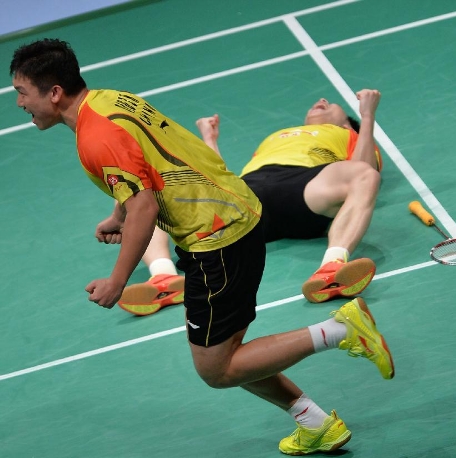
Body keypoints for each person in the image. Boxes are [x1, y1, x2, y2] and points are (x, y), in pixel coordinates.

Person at [10, 38, 395, 456]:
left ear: (53, 92)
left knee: (217, 368)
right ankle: (315, 423)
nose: (18, 103)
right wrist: (117, 216)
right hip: (234, 210)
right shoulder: (109, 100)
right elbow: (150, 166)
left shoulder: (95, 136)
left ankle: (340, 330)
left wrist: (117, 281)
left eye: (21, 92)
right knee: (228, 354)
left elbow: (143, 206)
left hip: (217, 239)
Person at [119, 89, 382, 315]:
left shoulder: (350, 136)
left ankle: (332, 268)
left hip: (306, 185)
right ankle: (163, 277)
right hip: (248, 195)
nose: (322, 99)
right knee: (155, 187)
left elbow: (363, 166)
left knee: (365, 175)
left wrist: (367, 116)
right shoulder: (276, 136)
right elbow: (216, 177)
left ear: (347, 123)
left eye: (332, 105)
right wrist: (210, 141)